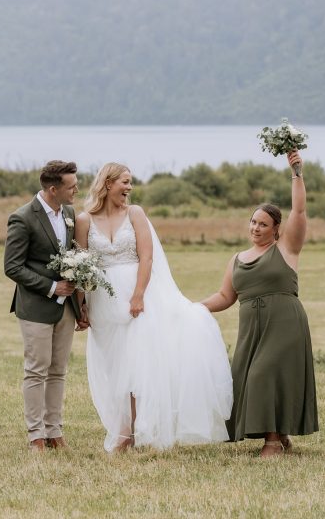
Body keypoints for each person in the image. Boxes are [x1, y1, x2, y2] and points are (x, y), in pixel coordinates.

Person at [74, 162, 232, 453]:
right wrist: (81, 306)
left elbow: (146, 258)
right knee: (113, 364)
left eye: (130, 182)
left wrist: (138, 295)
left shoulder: (135, 214)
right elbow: (82, 267)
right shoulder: (84, 220)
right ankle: (122, 427)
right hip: (102, 301)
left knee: (136, 363)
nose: (129, 188)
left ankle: (131, 431)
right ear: (108, 184)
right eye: (124, 182)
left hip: (137, 297)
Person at [200, 151, 318, 457]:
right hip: (251, 328)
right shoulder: (237, 259)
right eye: (253, 222)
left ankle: (273, 441)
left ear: (276, 229)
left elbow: (300, 211)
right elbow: (226, 297)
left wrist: (296, 172)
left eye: (263, 224)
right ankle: (279, 434)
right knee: (246, 378)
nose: (256, 228)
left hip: (284, 323)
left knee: (263, 375)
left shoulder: (287, 249)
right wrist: (196, 307)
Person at [4, 160, 86, 452]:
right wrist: (51, 287)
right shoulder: (22, 217)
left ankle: (54, 431)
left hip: (66, 308)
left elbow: (75, 260)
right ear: (53, 189)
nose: (76, 189)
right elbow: (12, 267)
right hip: (36, 307)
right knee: (36, 370)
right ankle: (35, 434)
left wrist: (79, 302)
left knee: (58, 371)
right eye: (71, 186)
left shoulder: (70, 214)